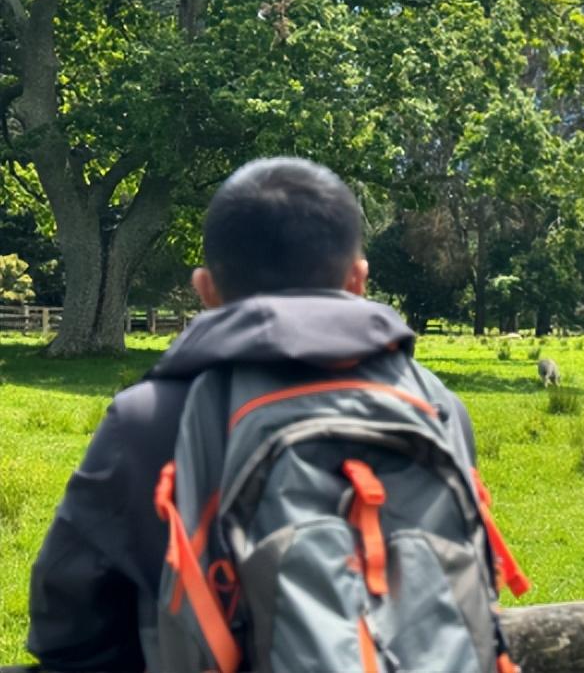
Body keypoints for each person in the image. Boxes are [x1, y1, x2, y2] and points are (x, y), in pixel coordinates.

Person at [24, 157, 477, 672]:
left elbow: (65, 627)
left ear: (206, 290)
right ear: (358, 280)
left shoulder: (146, 421)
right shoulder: (440, 409)